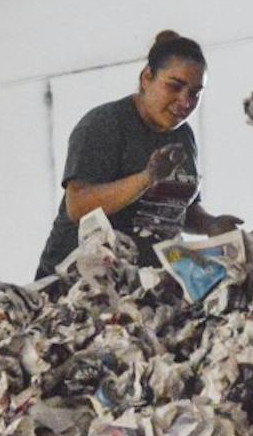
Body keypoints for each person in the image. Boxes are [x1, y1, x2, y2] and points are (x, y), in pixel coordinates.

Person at [35, 29, 242, 278]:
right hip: (77, 282)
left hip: (144, 282)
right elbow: (78, 206)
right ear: (146, 77)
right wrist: (147, 178)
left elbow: (178, 209)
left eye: (195, 93)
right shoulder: (106, 123)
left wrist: (211, 224)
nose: (185, 102)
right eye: (174, 86)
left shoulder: (183, 135)